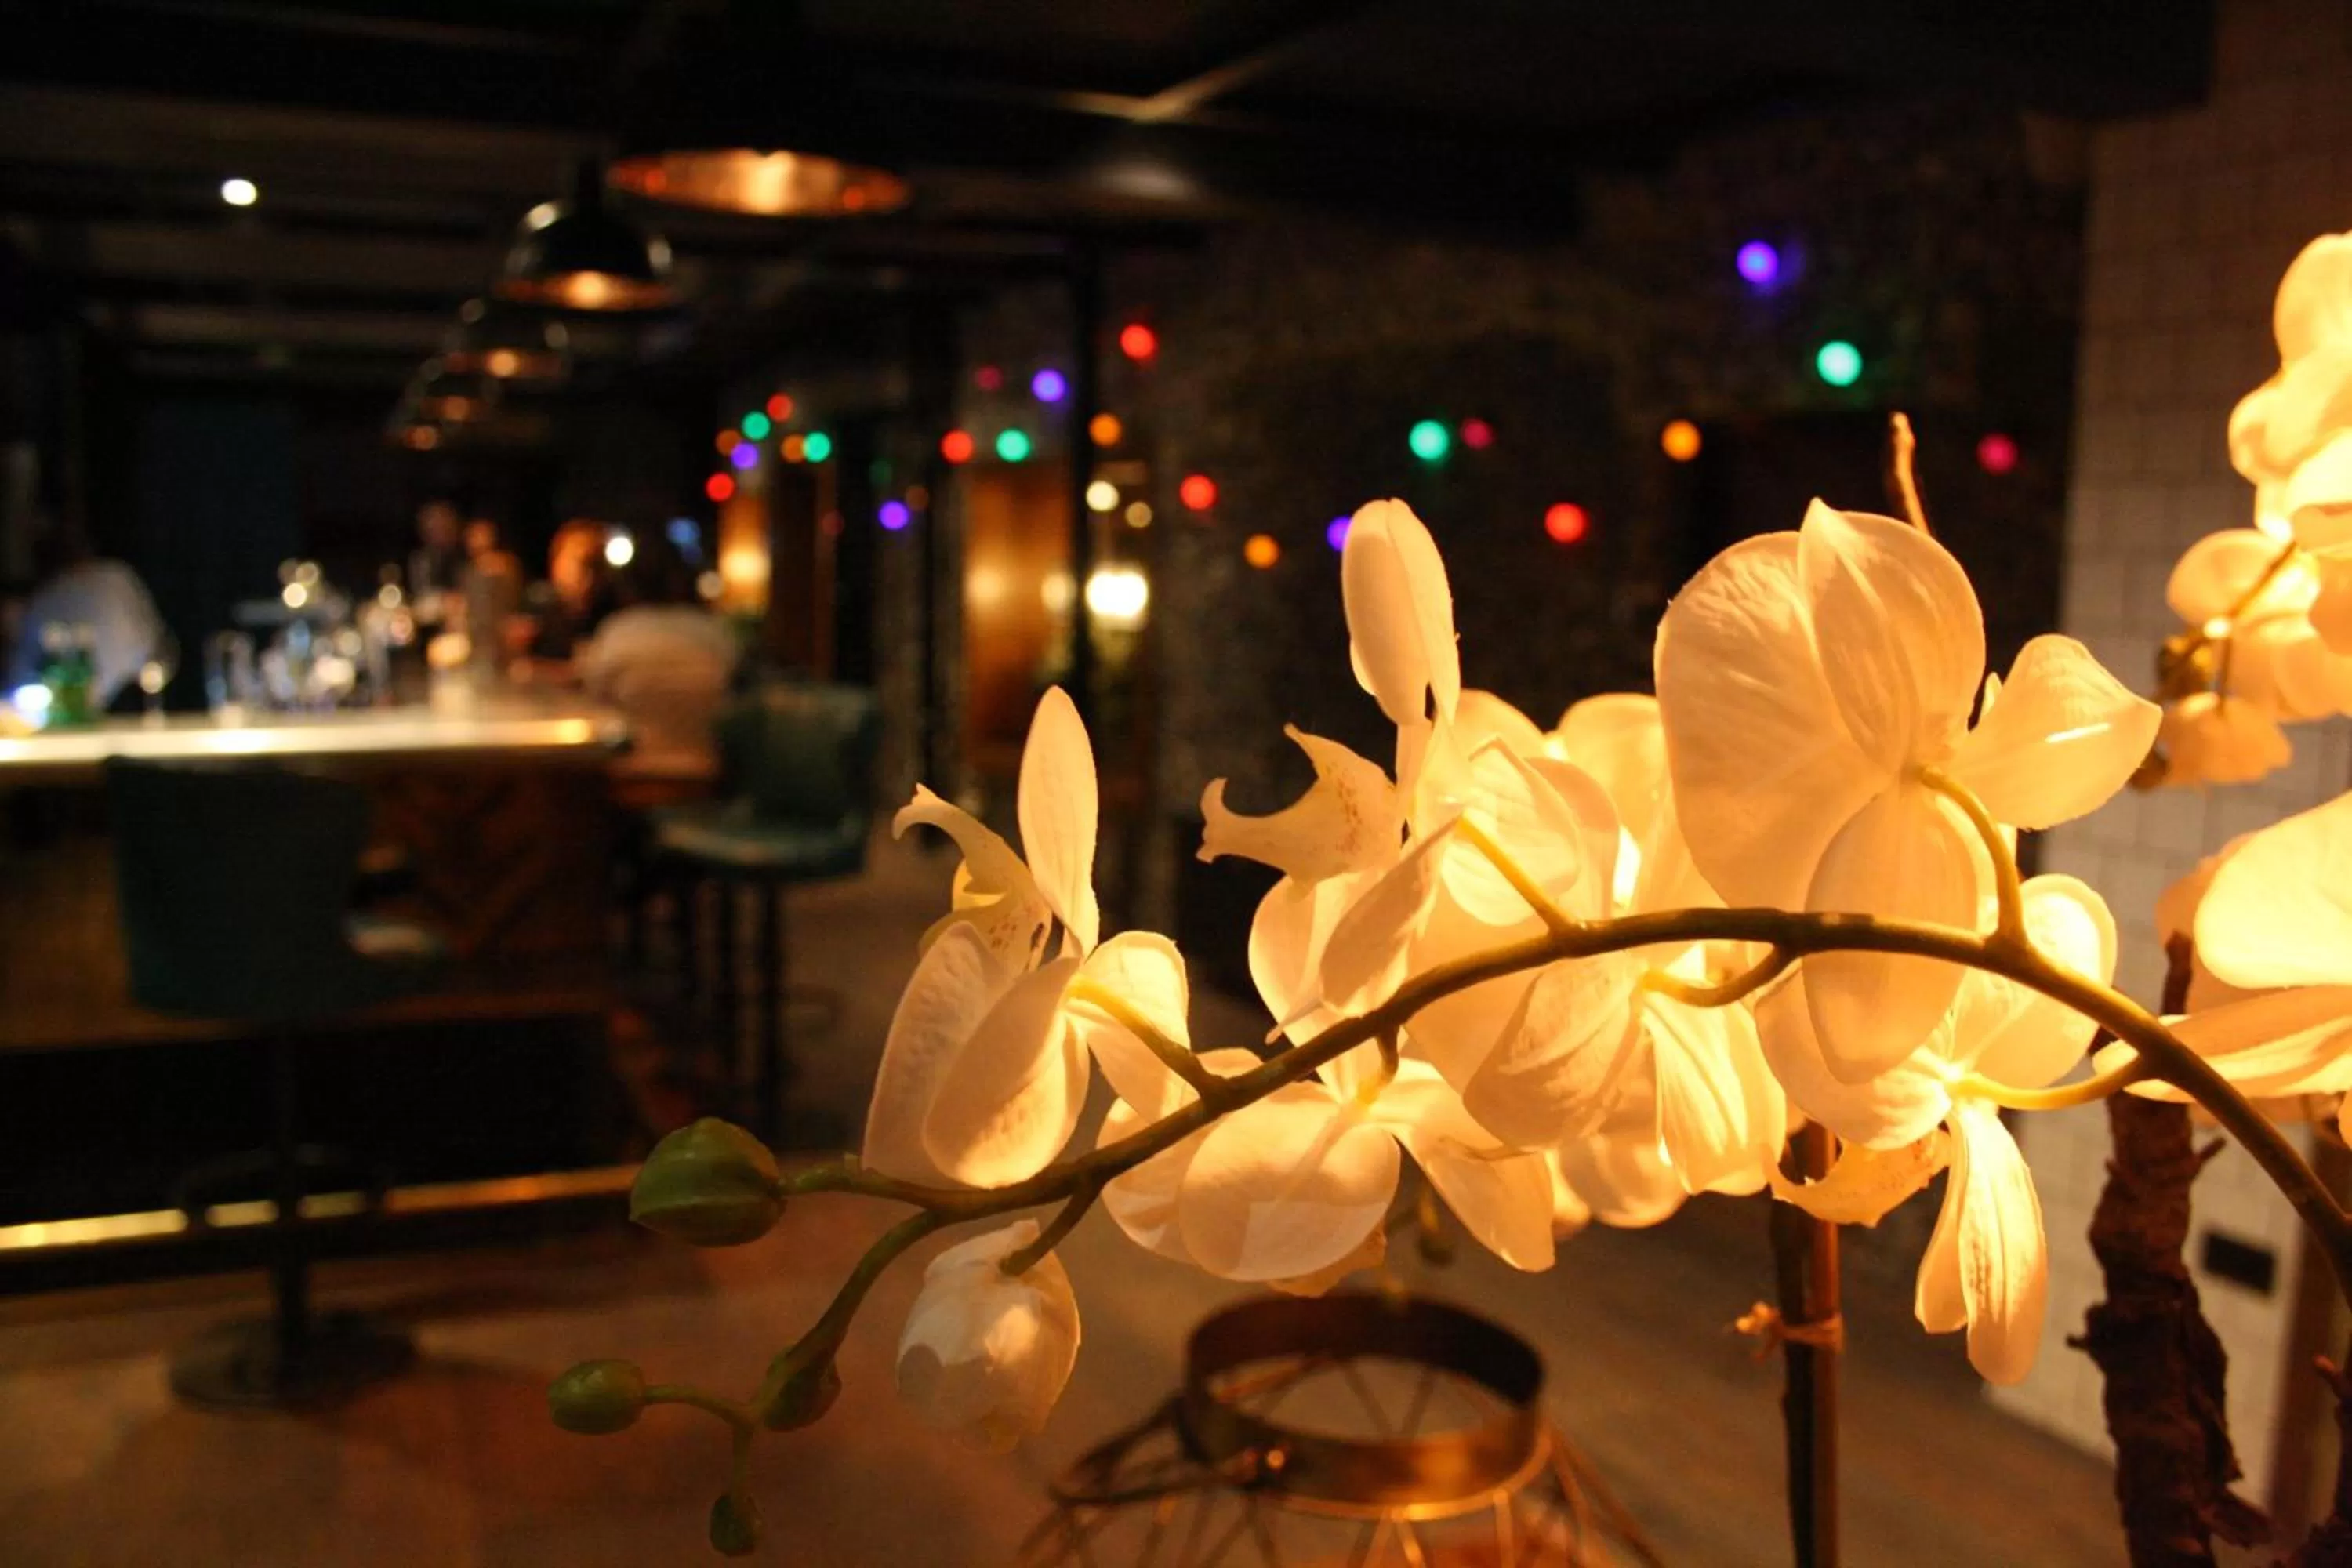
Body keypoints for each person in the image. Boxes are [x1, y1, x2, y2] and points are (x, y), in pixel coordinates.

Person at [575, 535, 738, 791]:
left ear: (629, 586)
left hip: (630, 776)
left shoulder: (619, 631)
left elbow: (593, 699)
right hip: (709, 776)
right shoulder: (716, 633)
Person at [5, 521, 164, 709]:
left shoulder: (43, 599)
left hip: (124, 702)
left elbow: (17, 685)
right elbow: (155, 639)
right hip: (117, 705)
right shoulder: (118, 575)